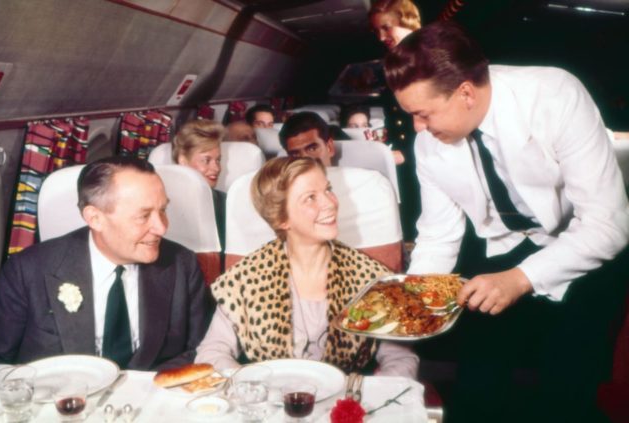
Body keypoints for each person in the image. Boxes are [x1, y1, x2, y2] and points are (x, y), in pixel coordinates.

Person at [384, 21, 629, 422]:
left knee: (566, 388)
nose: (418, 129)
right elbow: (438, 235)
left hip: (584, 241)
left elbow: (609, 224)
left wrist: (519, 279)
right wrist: (414, 304)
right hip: (506, 244)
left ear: (465, 92)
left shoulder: (555, 96)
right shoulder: (428, 144)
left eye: (423, 114)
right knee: (478, 380)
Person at [195, 157, 418, 376]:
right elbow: (212, 351)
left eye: (328, 190)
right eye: (310, 198)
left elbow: (401, 359)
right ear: (282, 219)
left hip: (345, 403)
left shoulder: (372, 278)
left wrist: (365, 401)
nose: (330, 203)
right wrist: (251, 386)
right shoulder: (244, 279)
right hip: (270, 404)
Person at [0, 157, 207, 370]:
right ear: (95, 218)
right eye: (143, 215)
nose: (161, 228)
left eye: (162, 210)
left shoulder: (181, 265)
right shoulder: (28, 271)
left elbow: (200, 349)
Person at [369, 0, 422, 242]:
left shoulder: (429, 58)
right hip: (409, 161)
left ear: (407, 22)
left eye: (386, 28)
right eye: (377, 31)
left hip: (429, 155)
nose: (381, 37)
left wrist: (407, 154)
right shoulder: (394, 63)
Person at [172, 119, 226, 249]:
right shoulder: (164, 203)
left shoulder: (226, 203)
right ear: (183, 161)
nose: (216, 168)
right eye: (206, 160)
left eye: (218, 160)